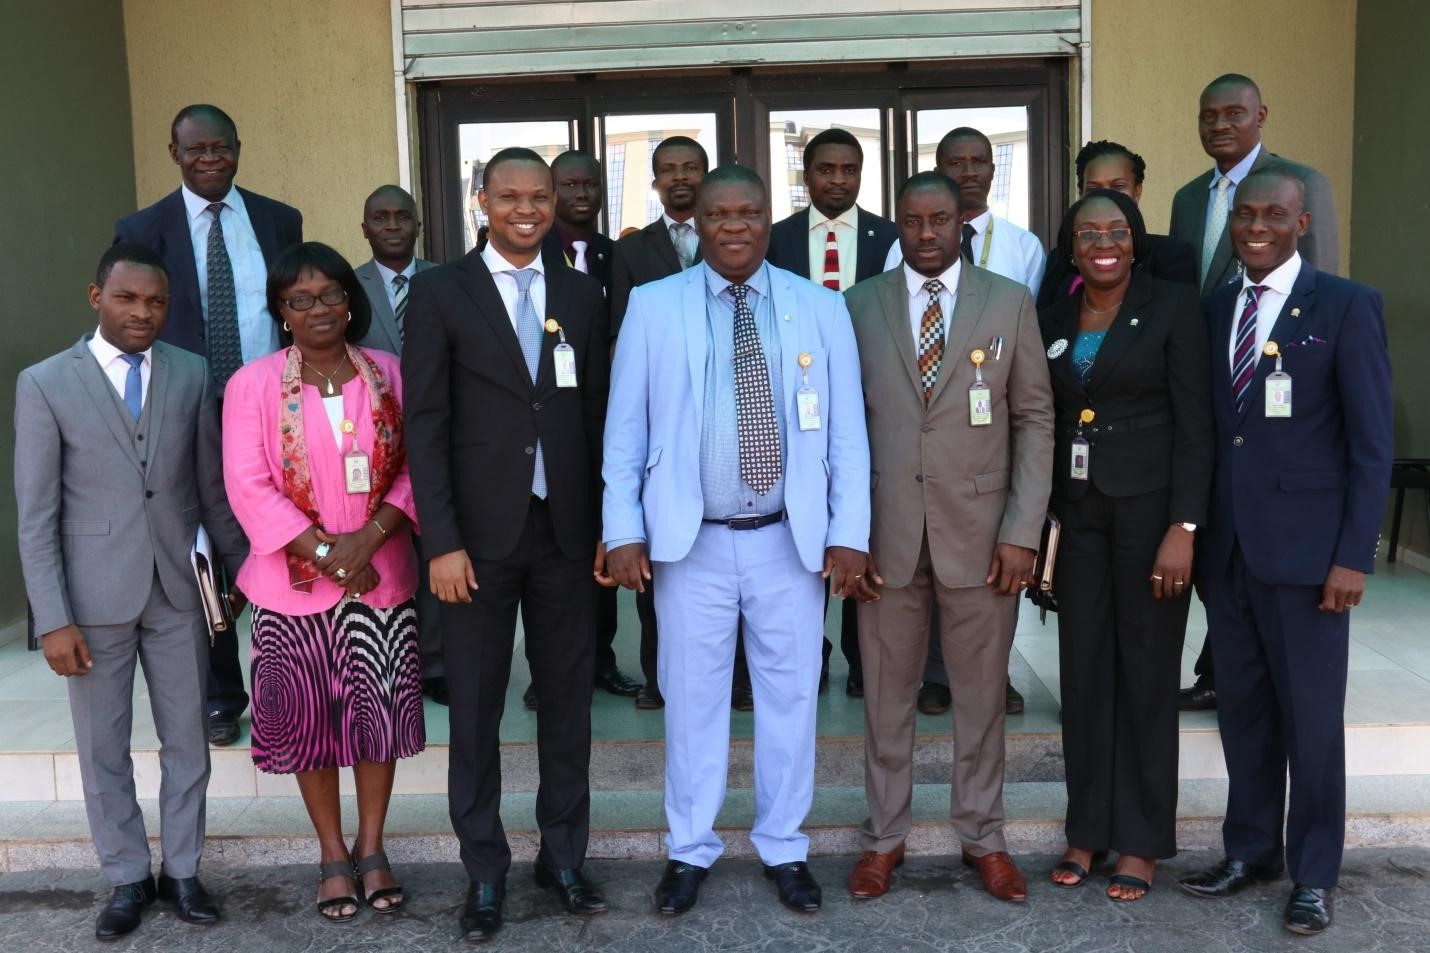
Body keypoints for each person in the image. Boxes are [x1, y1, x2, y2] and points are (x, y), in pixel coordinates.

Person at [601, 164, 870, 917]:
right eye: (719, 214)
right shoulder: (655, 307)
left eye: (748, 213)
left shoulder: (817, 306)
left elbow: (846, 430)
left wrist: (850, 533)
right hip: (693, 544)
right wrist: (623, 528)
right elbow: (624, 430)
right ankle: (689, 849)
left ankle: (785, 847)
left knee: (792, 699)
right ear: (699, 220)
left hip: (791, 541)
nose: (733, 227)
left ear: (767, 219)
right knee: (692, 702)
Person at [402, 147, 610, 943]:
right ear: (481, 200)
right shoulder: (439, 290)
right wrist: (441, 541)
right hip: (476, 545)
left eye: (540, 196)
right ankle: (483, 870)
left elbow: (594, 420)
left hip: (562, 536)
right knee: (479, 709)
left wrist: (600, 529)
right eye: (510, 196)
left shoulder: (583, 293)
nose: (527, 209)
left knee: (567, 704)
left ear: (556, 201)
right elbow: (425, 424)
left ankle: (563, 857)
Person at [1177, 168, 1392, 936]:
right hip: (1230, 556)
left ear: (1302, 223)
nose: (1256, 226)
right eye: (1245, 214)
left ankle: (1314, 872)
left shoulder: (1345, 305)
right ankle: (1251, 850)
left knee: (1312, 722)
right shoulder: (1213, 309)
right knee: (1246, 714)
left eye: (1274, 214)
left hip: (1309, 561)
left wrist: (1353, 557)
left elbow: (1372, 447)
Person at [15, 243, 248, 940]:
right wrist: (52, 618)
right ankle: (124, 874)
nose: (143, 312)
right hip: (91, 599)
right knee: (102, 746)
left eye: (156, 302)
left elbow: (209, 486)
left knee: (189, 742)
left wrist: (232, 576)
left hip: (177, 591)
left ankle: (182, 869)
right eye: (128, 298)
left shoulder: (191, 372)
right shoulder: (46, 382)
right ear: (97, 298)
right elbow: (36, 514)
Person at [844, 171, 1052, 905]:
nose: (925, 233)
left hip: (983, 537)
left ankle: (983, 838)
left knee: (980, 700)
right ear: (896, 225)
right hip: (884, 540)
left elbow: (1034, 420)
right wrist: (847, 535)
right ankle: (883, 839)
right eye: (911, 221)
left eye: (939, 219)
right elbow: (843, 427)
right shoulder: (859, 304)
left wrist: (1023, 530)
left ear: (963, 220)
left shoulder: (1007, 299)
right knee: (885, 702)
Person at [221, 242, 424, 922]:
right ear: (281, 311)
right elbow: (247, 486)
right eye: (300, 299)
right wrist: (333, 555)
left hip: (382, 575)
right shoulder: (251, 385)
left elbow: (419, 466)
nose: (318, 309)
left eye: (331, 294)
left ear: (350, 300)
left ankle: (372, 847)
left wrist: (368, 540)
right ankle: (332, 851)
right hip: (291, 588)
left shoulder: (391, 374)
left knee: (376, 721)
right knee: (311, 723)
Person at [1039, 190, 1213, 900]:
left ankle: (1140, 841)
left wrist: (1186, 527)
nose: (1102, 242)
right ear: (1072, 247)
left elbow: (1196, 425)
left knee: (1144, 677)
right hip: (1078, 518)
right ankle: (1088, 829)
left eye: (1115, 231)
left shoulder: (1172, 306)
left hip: (1150, 522)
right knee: (1083, 677)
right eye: (1088, 233)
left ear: (1135, 242)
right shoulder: (1052, 314)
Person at [114, 102, 304, 747]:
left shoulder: (280, 220)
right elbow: (132, 324)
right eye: (196, 149)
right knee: (204, 555)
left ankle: (295, 679)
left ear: (238, 148)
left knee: (280, 539)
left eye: (221, 147)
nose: (210, 159)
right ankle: (223, 693)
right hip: (186, 413)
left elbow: (295, 308)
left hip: (273, 411)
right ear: (175, 153)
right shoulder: (142, 228)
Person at [1169, 73, 1341, 712]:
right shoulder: (1190, 197)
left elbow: (1324, 289)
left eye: (1233, 113)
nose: (1220, 125)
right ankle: (1221, 668)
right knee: (1224, 548)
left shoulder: (1301, 182)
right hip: (1217, 378)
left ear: (1260, 114)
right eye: (1207, 114)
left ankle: (1235, 670)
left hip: (1282, 393)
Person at [917, 126, 1048, 717]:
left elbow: (1026, 349)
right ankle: (937, 675)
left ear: (994, 171)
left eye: (979, 161)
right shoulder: (907, 246)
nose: (969, 170)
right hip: (928, 436)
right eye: (956, 162)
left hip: (989, 428)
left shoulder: (1022, 246)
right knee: (929, 568)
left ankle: (998, 675)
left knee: (988, 576)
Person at [766, 126, 898, 698]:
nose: (837, 180)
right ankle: (809, 656)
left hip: (874, 401)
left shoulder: (889, 237)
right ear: (807, 175)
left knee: (860, 526)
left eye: (849, 170)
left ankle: (861, 657)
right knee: (803, 530)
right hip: (791, 412)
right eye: (825, 169)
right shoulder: (775, 238)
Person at [524, 149, 641, 709]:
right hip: (547, 431)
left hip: (609, 416)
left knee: (603, 544)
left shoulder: (614, 254)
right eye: (567, 184)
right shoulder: (526, 252)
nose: (580, 194)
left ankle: (602, 659)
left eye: (589, 184)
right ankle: (547, 671)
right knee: (552, 559)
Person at [608, 134, 709, 710]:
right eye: (667, 169)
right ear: (654, 181)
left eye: (689, 168)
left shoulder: (732, 236)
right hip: (660, 411)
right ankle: (656, 676)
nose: (679, 178)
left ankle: (737, 678)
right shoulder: (632, 251)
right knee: (660, 558)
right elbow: (623, 334)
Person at [351, 185, 447, 707]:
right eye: (380, 218)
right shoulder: (348, 287)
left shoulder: (449, 281)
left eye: (402, 216)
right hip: (370, 445)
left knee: (438, 549)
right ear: (364, 227)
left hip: (440, 438)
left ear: (417, 225)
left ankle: (436, 662)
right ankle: (391, 658)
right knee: (385, 552)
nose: (392, 225)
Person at [1035, 140, 1197, 309]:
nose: (1106, 197)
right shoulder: (1060, 259)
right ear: (1081, 194)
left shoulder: (1171, 255)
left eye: (1118, 186)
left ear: (1137, 192)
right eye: (1093, 189)